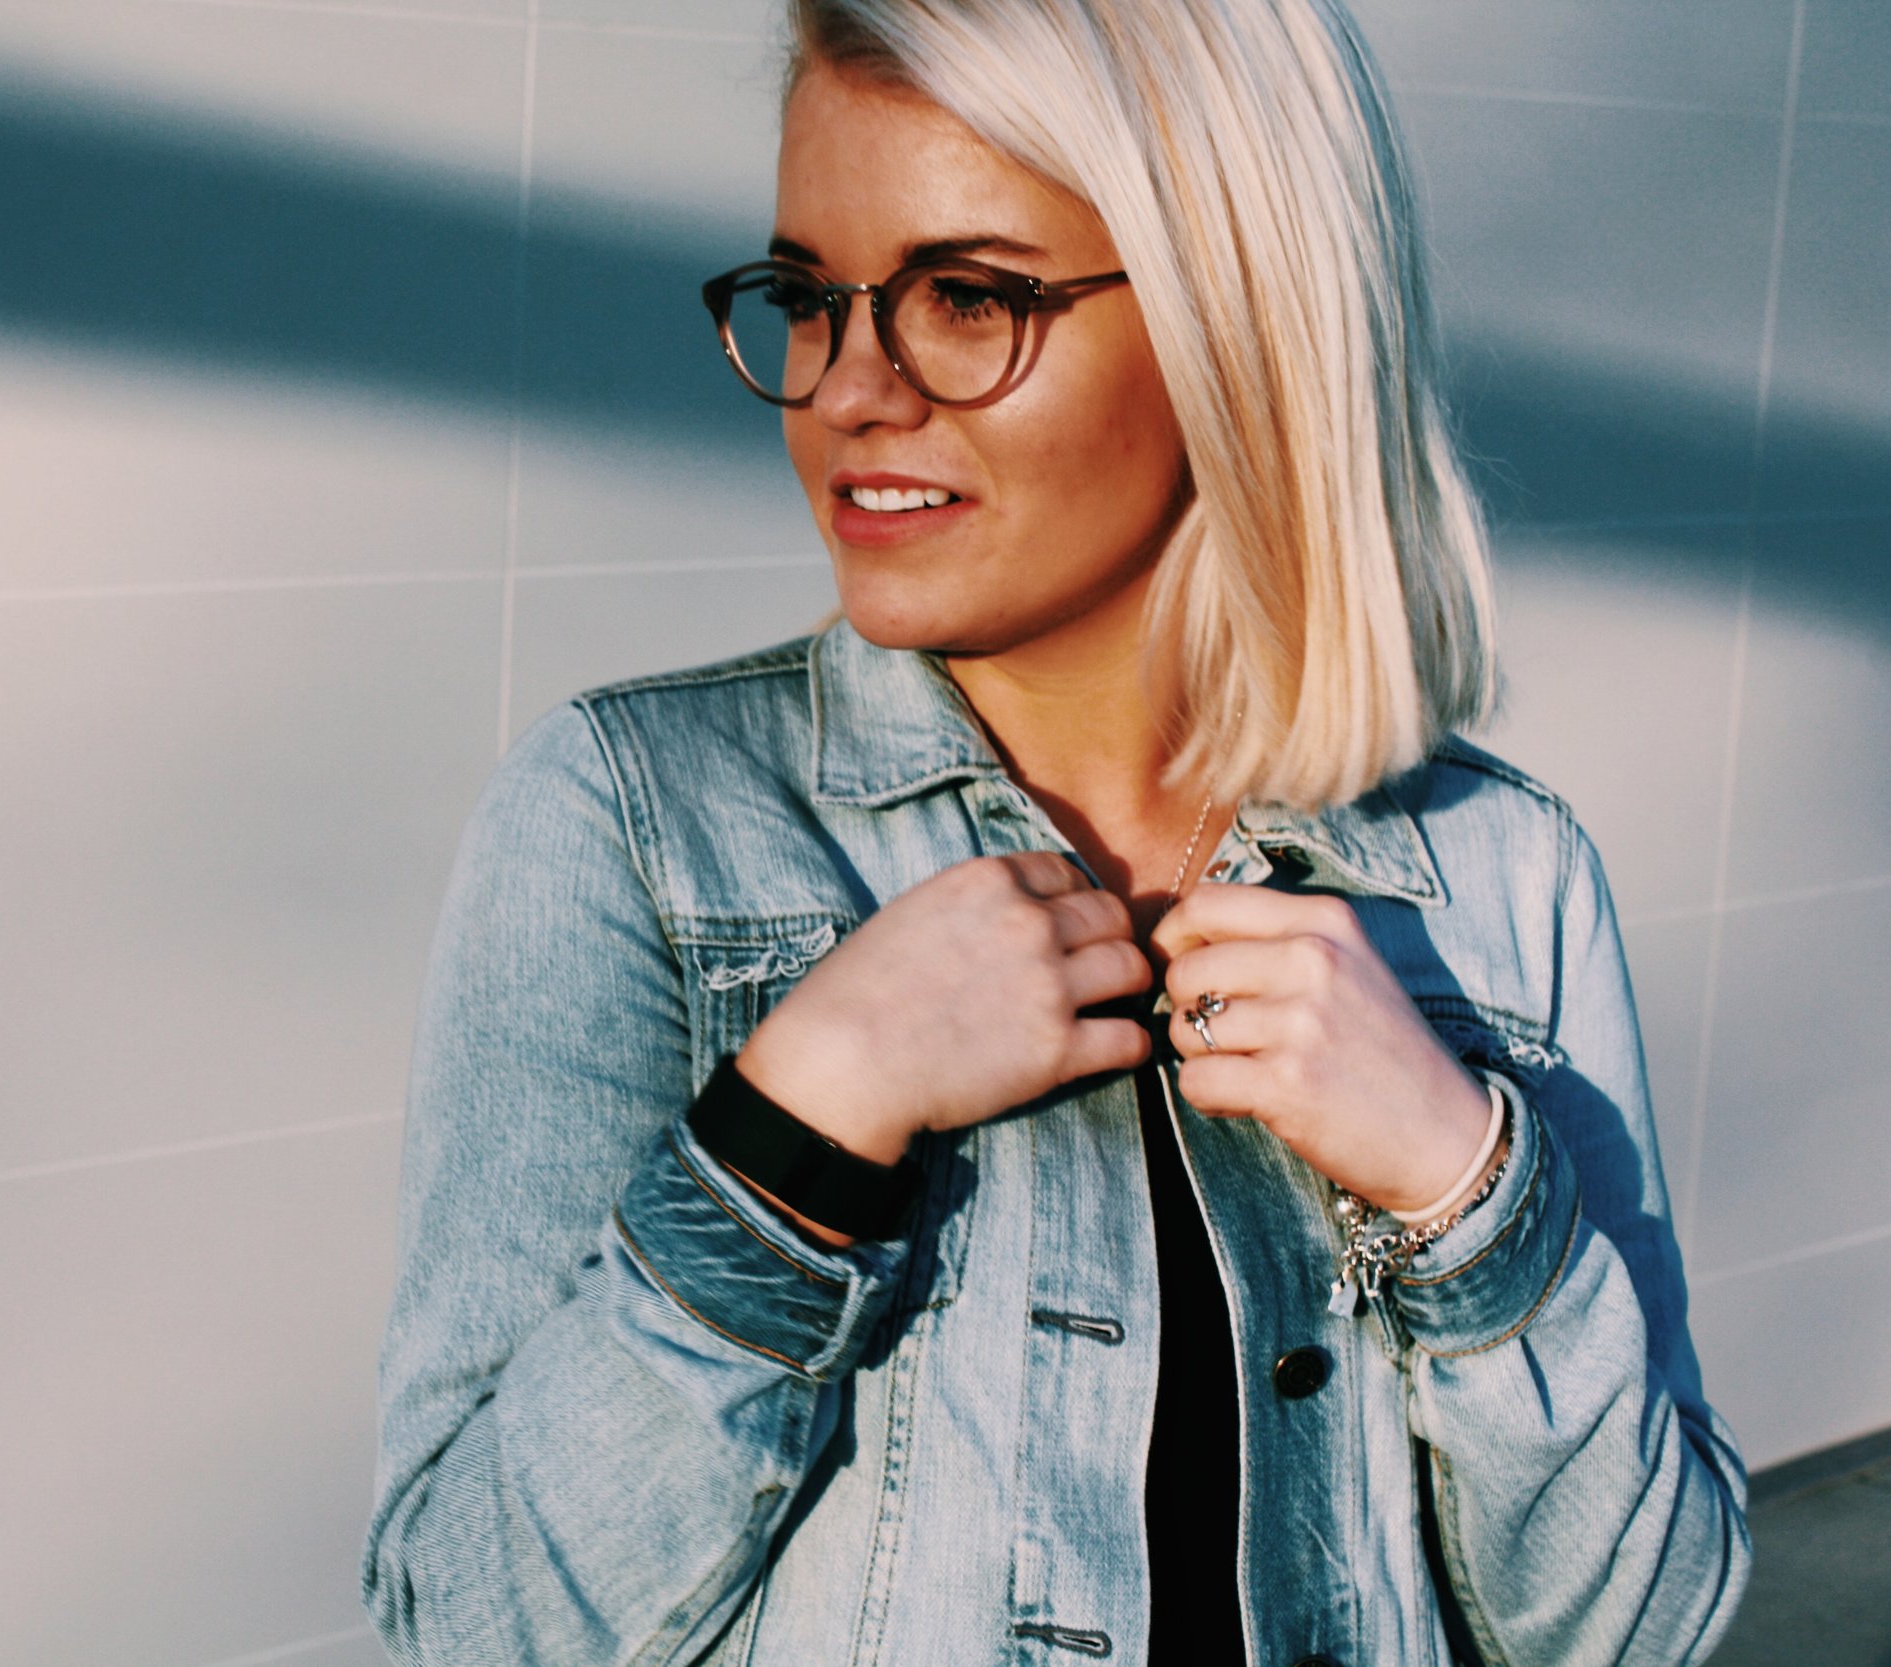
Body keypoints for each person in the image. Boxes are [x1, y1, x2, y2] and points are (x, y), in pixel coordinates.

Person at [363, 1, 1752, 1662]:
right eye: (809, 299)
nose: (848, 393)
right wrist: (799, 1131)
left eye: (967, 297)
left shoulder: (1499, 878)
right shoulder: (640, 826)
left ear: (1237, 320)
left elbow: (1641, 1631)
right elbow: (467, 1626)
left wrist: (1464, 1196)